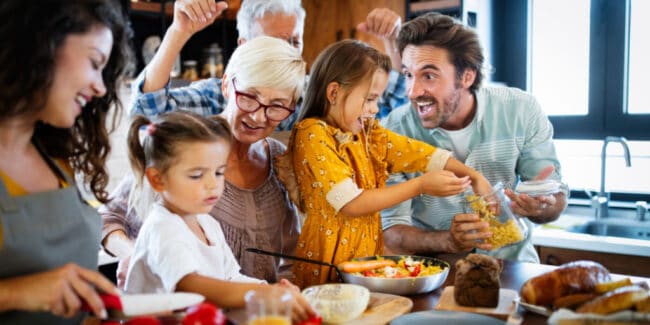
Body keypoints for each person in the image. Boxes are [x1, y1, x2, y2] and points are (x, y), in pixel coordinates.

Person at [276, 39, 492, 288]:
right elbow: (350, 202)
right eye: (369, 99)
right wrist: (419, 186)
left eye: (377, 100)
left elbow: (420, 153)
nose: (375, 109)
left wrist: (474, 176)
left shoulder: (368, 133)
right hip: (325, 268)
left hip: (364, 264)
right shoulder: (311, 133)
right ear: (334, 93)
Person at [102, 36, 306, 287]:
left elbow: (289, 256)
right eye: (249, 96)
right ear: (226, 86)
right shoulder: (186, 146)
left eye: (276, 106)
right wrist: (138, 256)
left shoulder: (281, 160)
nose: (257, 115)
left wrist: (284, 293)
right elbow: (108, 219)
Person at [381, 12, 568, 263]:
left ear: (467, 76)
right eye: (408, 75)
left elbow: (554, 195)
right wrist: (449, 240)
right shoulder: (395, 128)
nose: (413, 92)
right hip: (439, 274)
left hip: (513, 266)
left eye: (429, 75)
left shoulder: (521, 110)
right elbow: (392, 232)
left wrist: (543, 207)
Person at [0, 0, 133, 323]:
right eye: (94, 62)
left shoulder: (56, 162)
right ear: (40, 44)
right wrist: (16, 292)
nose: (100, 88)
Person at [123, 111, 314, 322]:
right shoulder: (162, 228)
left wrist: (267, 289)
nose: (213, 184)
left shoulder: (207, 223)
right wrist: (263, 295)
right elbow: (191, 286)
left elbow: (231, 277)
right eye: (197, 175)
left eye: (219, 172)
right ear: (157, 179)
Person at [129, 0, 407, 129]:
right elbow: (148, 110)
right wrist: (178, 32)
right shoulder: (220, 96)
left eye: (294, 42)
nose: (287, 53)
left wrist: (394, 41)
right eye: (274, 42)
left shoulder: (314, 95)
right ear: (244, 45)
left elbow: (394, 103)